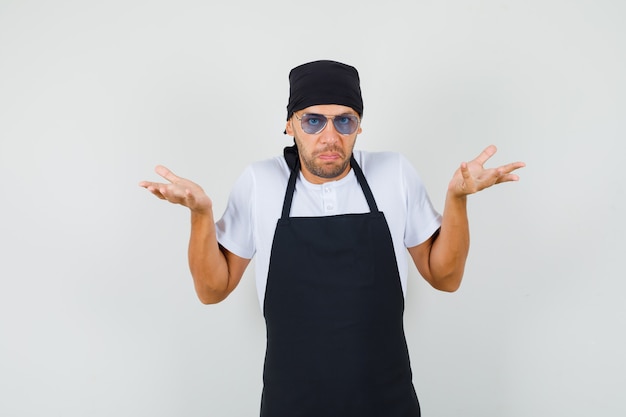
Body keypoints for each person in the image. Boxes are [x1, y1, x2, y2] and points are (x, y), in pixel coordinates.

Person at [139, 60, 525, 417]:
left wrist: (456, 199)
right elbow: (212, 289)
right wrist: (200, 215)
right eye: (313, 122)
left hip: (386, 402)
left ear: (359, 126)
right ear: (289, 124)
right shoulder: (260, 181)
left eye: (344, 121)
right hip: (290, 403)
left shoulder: (394, 173)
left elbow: (445, 277)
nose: (329, 137)